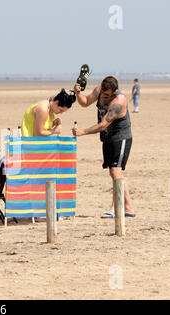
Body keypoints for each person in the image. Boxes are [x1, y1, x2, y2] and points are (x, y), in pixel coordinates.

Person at [71, 76, 135, 218]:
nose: (104, 97)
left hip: (121, 137)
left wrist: (83, 132)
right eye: (103, 94)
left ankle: (115, 207)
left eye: (107, 95)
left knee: (115, 171)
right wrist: (78, 93)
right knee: (113, 172)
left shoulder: (119, 101)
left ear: (114, 91)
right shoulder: (100, 89)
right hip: (107, 138)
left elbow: (103, 124)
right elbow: (85, 102)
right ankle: (129, 208)